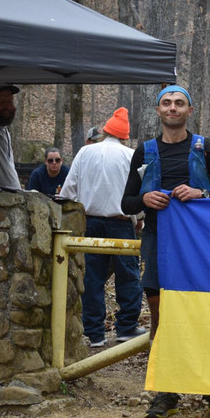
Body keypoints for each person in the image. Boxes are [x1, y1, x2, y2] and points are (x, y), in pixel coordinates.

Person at [121, 85, 210, 418]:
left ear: (190, 110)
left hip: (201, 246)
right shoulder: (144, 151)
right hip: (158, 242)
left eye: (179, 103)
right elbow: (125, 202)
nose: (173, 108)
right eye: (167, 103)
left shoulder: (205, 148)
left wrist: (201, 193)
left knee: (205, 313)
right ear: (158, 111)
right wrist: (144, 200)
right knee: (162, 319)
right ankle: (166, 391)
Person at [60, 107, 145, 348]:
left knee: (93, 278)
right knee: (128, 277)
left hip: (91, 221)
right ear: (125, 135)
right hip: (121, 222)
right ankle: (127, 327)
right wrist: (139, 216)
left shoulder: (85, 152)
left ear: (106, 130)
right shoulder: (131, 156)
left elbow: (68, 191)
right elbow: (138, 193)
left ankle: (95, 332)